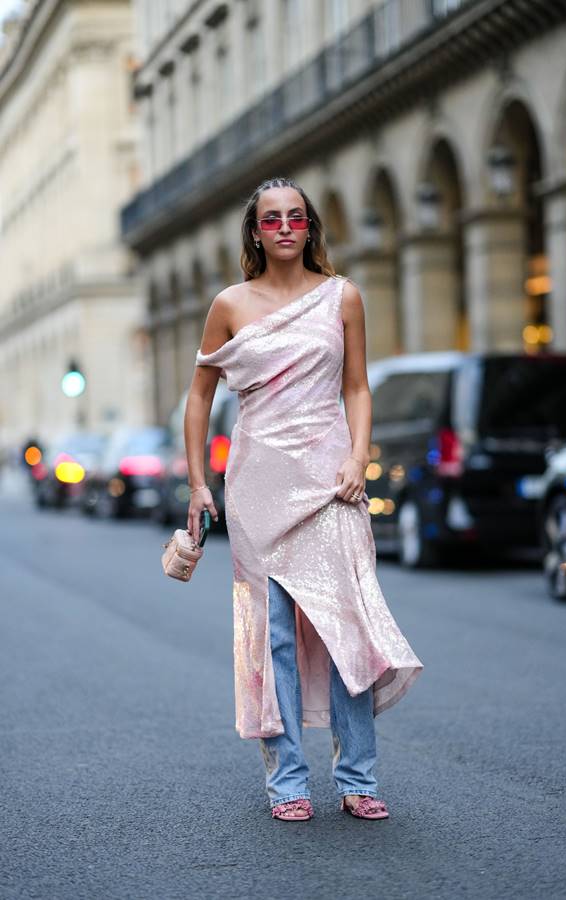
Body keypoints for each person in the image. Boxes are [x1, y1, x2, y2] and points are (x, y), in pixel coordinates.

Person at [184, 176, 424, 822]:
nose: (285, 227)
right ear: (256, 232)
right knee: (275, 640)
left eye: (295, 217)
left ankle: (357, 776)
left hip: (330, 481)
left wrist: (357, 457)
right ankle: (288, 780)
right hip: (259, 483)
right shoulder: (229, 305)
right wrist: (199, 482)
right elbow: (201, 395)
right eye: (271, 219)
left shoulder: (343, 297)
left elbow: (358, 387)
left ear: (310, 226)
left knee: (346, 628)